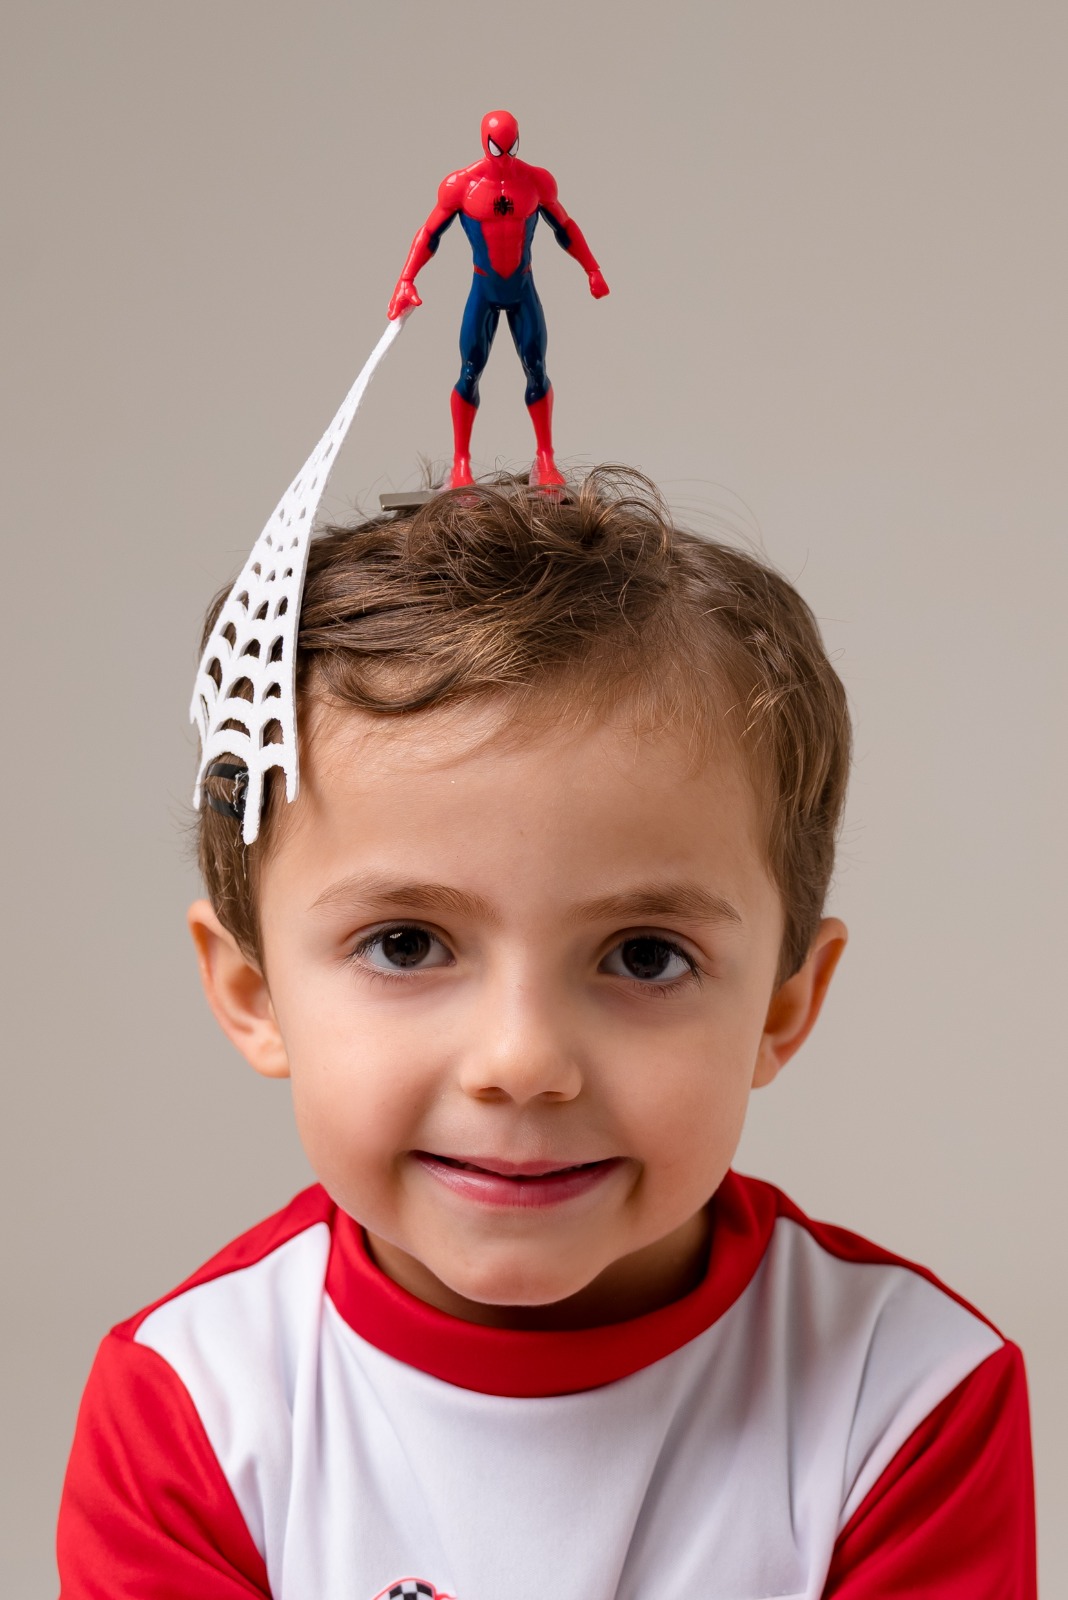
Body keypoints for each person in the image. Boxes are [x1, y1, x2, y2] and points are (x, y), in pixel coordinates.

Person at [56, 470, 1036, 1597]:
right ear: (252, 989)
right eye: (408, 944)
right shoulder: (190, 1405)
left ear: (781, 1003)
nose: (521, 1062)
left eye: (644, 956)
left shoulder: (906, 1398)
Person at [387, 110, 609, 490]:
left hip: (522, 289)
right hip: (485, 290)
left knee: (536, 367)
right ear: (484, 144)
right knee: (470, 371)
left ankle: (545, 459)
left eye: (511, 148)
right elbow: (429, 234)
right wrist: (406, 277)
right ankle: (460, 465)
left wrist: (592, 268)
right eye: (497, 149)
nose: (505, 157)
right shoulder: (461, 186)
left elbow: (566, 227)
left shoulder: (536, 182)